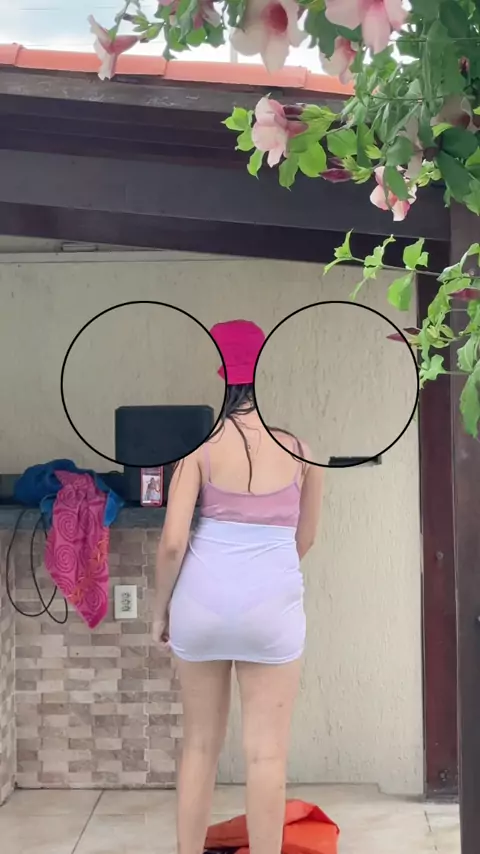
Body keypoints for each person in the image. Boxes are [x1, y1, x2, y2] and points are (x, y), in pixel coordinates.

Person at [152, 319, 323, 854]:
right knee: (266, 754)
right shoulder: (303, 452)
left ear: (220, 372)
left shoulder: (198, 451)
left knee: (200, 748)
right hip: (271, 610)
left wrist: (161, 612)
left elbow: (173, 544)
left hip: (201, 606)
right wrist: (264, 579)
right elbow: (305, 539)